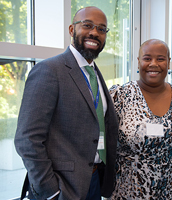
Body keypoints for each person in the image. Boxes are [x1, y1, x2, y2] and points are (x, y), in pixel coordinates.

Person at [14, 6, 118, 200]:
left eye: (101, 29)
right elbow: (27, 139)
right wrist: (51, 191)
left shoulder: (94, 73)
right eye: (87, 25)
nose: (94, 33)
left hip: (94, 180)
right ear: (72, 30)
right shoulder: (49, 70)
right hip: (62, 188)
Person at [109, 39, 172, 199]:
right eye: (147, 58)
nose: (153, 64)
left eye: (161, 59)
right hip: (129, 193)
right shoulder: (119, 97)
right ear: (138, 62)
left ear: (168, 63)